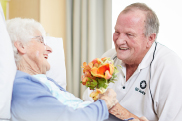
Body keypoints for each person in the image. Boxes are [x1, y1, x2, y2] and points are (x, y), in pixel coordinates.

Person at [83, 2, 182, 121]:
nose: (119, 41)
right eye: (117, 32)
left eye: (129, 34)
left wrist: (116, 109)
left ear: (150, 38)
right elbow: (86, 104)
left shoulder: (169, 67)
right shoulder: (109, 58)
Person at [7, 18, 119, 121]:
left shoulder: (44, 82)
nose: (50, 49)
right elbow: (70, 119)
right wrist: (104, 103)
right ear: (21, 46)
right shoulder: (23, 86)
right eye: (41, 41)